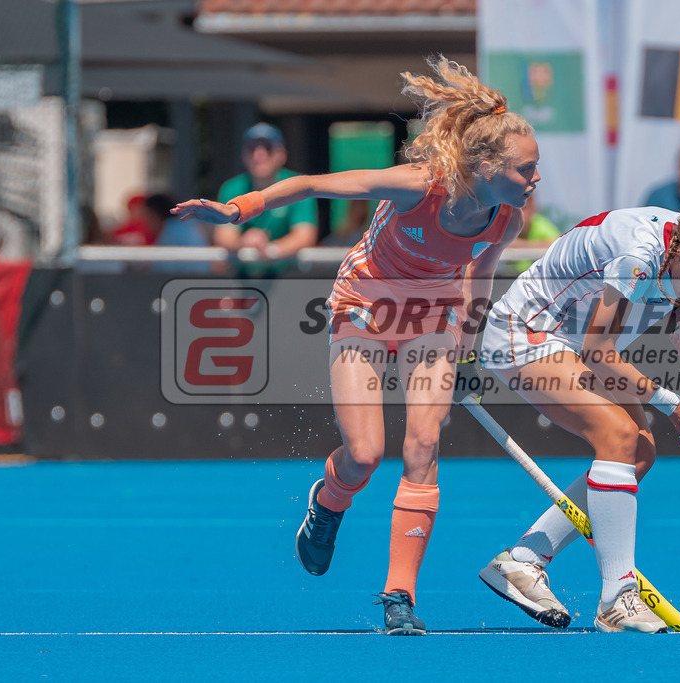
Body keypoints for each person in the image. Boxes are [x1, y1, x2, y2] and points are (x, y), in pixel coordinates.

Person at [172, 57, 537, 635]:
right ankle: (329, 501)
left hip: (434, 316)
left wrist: (467, 348)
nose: (534, 178)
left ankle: (399, 598)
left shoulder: (506, 220)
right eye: (527, 168)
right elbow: (315, 184)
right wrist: (239, 209)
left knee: (423, 444)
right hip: (365, 305)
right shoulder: (419, 187)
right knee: (365, 455)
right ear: (489, 164)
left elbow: (479, 280)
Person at [476, 207, 680, 633]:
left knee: (637, 452)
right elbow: (599, 352)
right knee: (617, 433)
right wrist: (673, 404)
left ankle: (522, 562)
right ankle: (617, 598)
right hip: (527, 334)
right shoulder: (638, 256)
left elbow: (677, 289)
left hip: (572, 344)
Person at [214, 123, 318, 261]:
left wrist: (271, 251)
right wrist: (244, 242)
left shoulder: (299, 185)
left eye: (267, 147)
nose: (259, 155)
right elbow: (223, 236)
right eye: (251, 148)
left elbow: (305, 236)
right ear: (243, 155)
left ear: (282, 154)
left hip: (287, 276)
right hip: (243, 276)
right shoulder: (231, 188)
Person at [509, 193, 561, 273]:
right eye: (514, 208)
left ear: (533, 209)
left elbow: (559, 245)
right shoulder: (504, 226)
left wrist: (520, 245)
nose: (519, 213)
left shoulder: (540, 224)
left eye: (524, 208)